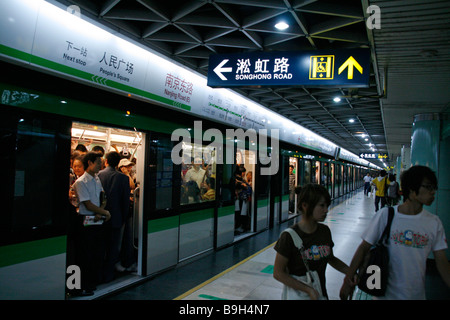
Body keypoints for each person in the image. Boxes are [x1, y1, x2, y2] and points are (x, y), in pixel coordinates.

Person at [340, 165, 450, 300]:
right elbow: (363, 248)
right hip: (385, 295)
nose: (433, 192)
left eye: (434, 187)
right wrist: (347, 280)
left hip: (416, 296)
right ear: (411, 189)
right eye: (428, 187)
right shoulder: (386, 215)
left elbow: (442, 262)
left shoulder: (434, 223)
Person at [273, 184, 350, 300]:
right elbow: (278, 273)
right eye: (322, 206)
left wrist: (351, 272)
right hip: (300, 296)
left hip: (320, 294)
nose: (326, 210)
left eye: (327, 205)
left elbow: (330, 258)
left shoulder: (324, 231)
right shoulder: (289, 237)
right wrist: (308, 289)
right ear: (305, 206)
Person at [72, 152, 111, 295]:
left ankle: (91, 282)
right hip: (85, 222)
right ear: (89, 163)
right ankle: (81, 286)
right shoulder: (80, 182)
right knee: (84, 256)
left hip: (97, 220)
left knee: (96, 254)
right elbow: (87, 204)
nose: (101, 165)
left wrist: (100, 211)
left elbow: (103, 197)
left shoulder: (97, 179)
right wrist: (104, 212)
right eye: (98, 162)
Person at [98, 152, 131, 283]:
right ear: (118, 163)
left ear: (105, 161)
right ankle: (109, 274)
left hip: (100, 216)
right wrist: (124, 216)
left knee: (101, 247)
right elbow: (125, 201)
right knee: (113, 247)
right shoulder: (122, 178)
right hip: (116, 218)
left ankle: (99, 274)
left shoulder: (99, 175)